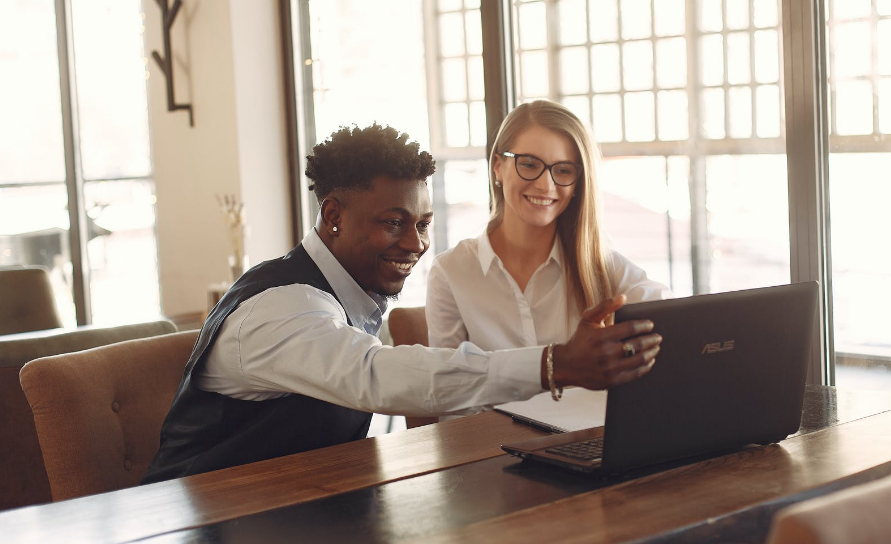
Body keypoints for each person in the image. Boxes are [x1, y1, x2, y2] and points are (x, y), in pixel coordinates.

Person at [143, 123, 661, 484]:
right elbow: (377, 376)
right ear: (333, 215)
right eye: (393, 222)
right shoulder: (281, 307)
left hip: (291, 517)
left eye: (423, 224)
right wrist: (556, 363)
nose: (414, 244)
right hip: (193, 536)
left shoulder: (345, 299)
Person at [426, 99, 671, 370]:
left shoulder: (602, 267)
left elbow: (676, 321)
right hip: (490, 416)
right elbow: (447, 394)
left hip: (583, 414)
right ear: (498, 166)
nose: (545, 185)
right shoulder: (450, 272)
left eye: (563, 170)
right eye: (529, 164)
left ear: (578, 182)